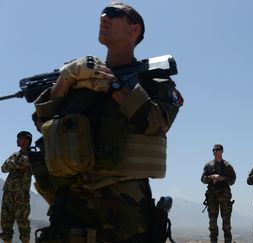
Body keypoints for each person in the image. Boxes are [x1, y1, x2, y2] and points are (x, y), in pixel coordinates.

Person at [32, 2, 182, 242]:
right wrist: (65, 80)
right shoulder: (79, 77)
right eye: (102, 13)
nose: (104, 16)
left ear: (135, 30)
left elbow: (157, 122)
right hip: (71, 206)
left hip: (125, 212)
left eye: (114, 14)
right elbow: (43, 123)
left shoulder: (153, 81)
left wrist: (111, 85)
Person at [0, 131, 33, 243]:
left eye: (20, 138)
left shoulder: (33, 155)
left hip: (21, 194)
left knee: (23, 223)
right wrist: (17, 164)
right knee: (5, 222)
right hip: (8, 192)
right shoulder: (15, 155)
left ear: (27, 140)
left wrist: (13, 164)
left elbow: (26, 163)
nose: (17, 140)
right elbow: (3, 168)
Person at [201, 144, 236, 243]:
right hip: (212, 197)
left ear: (222, 151)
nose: (215, 151)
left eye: (218, 149)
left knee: (226, 225)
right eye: (214, 150)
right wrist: (212, 177)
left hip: (224, 197)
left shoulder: (227, 166)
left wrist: (222, 178)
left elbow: (233, 180)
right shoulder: (208, 165)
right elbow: (203, 179)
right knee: (212, 224)